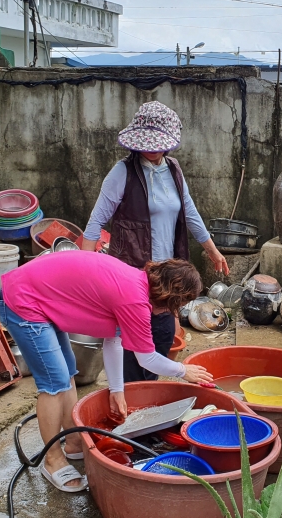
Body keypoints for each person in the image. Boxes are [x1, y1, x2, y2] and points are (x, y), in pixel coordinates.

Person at [0, 250, 214, 493]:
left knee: (67, 371)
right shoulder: (135, 300)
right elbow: (147, 359)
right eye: (179, 305)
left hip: (39, 295)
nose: (174, 312)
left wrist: (117, 391)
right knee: (54, 381)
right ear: (171, 298)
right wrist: (183, 370)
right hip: (22, 300)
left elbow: (113, 340)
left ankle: (74, 440)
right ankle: (52, 460)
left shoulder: (137, 282)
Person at [82, 100, 230, 382]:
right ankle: (127, 401)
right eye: (145, 143)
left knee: (161, 337)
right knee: (130, 346)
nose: (150, 148)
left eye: (157, 143)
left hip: (167, 278)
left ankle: (148, 401)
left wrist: (212, 250)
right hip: (133, 274)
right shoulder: (122, 173)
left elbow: (190, 211)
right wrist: (85, 268)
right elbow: (95, 223)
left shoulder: (173, 169)